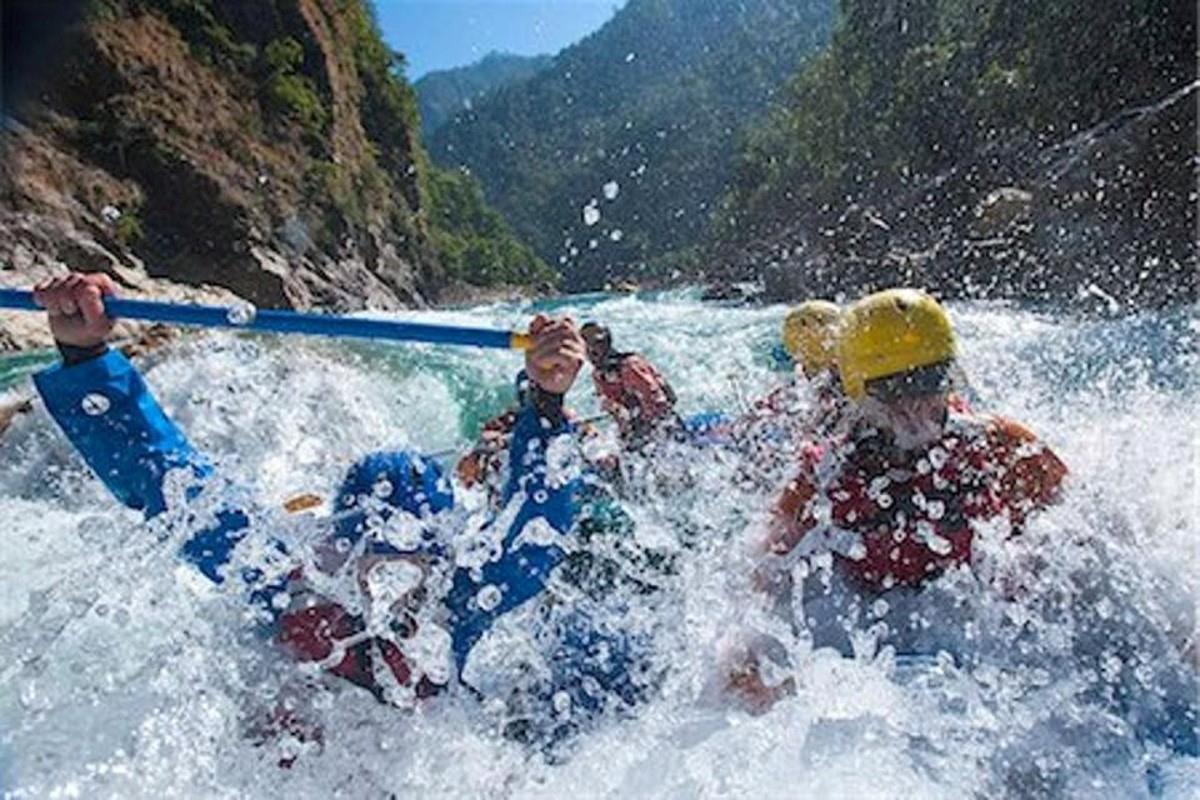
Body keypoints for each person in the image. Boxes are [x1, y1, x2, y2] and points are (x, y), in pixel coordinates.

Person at [30, 272, 663, 752]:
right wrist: (85, 359)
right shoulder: (278, 577)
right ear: (340, 545)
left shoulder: (458, 600)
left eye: (412, 561)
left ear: (440, 554)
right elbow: (164, 478)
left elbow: (536, 527)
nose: (387, 587)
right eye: (373, 556)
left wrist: (549, 404)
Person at [725, 288, 1069, 711]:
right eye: (895, 388)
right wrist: (748, 659)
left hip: (969, 618)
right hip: (873, 623)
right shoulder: (826, 471)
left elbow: (1085, 530)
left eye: (931, 381)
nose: (917, 402)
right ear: (859, 390)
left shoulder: (1000, 445)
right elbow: (764, 571)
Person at [580, 322, 680, 447]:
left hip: (663, 428)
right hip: (638, 429)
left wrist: (638, 435)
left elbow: (659, 406)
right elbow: (615, 411)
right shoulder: (598, 375)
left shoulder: (630, 366)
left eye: (596, 345)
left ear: (607, 344)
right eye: (587, 347)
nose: (591, 352)